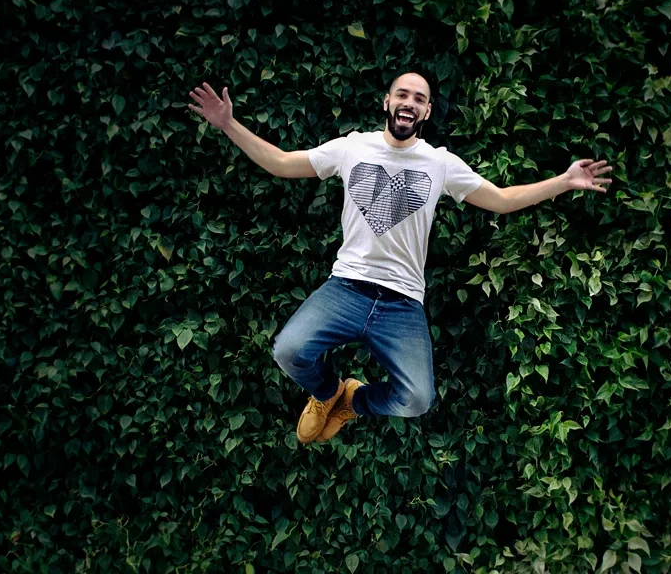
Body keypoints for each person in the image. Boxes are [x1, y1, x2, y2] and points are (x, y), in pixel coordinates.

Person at [187, 73, 613, 444]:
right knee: (288, 350)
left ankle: (352, 401)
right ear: (387, 103)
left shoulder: (440, 163)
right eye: (402, 94)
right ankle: (325, 391)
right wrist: (228, 125)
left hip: (402, 303)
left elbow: (501, 199)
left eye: (420, 98)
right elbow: (281, 163)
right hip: (347, 288)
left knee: (416, 399)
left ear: (425, 113)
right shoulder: (352, 148)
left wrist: (564, 180)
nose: (409, 102)